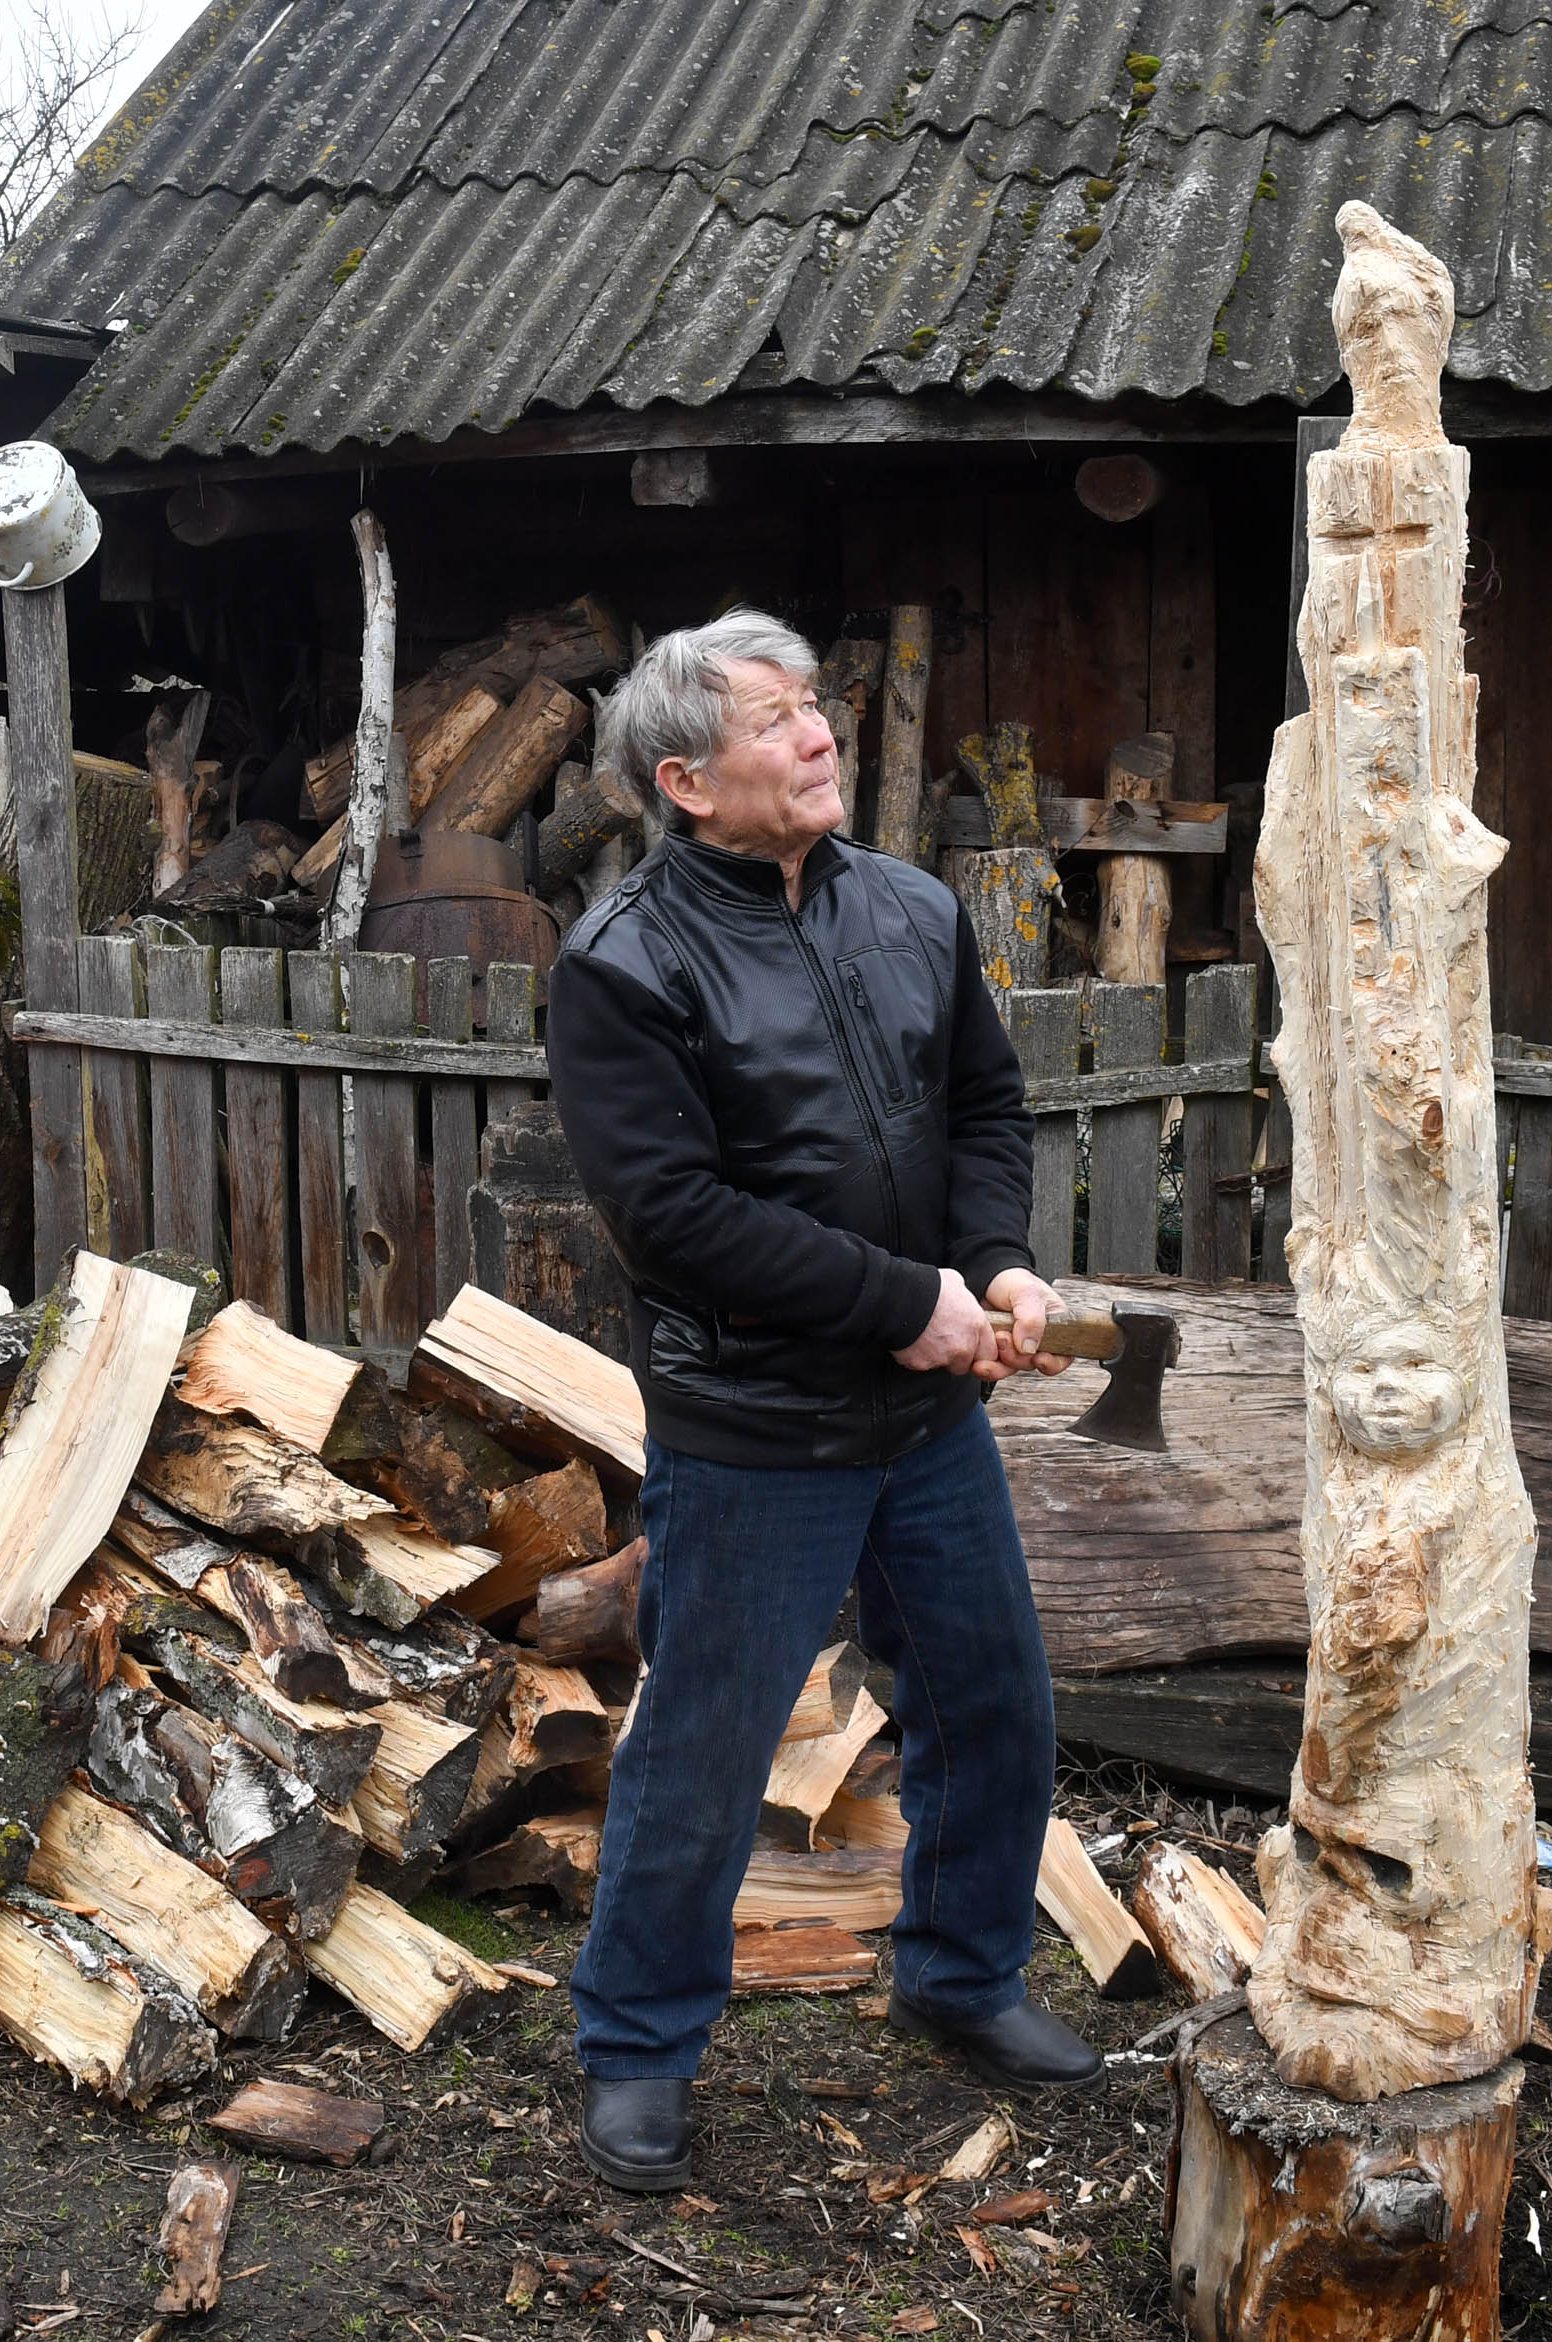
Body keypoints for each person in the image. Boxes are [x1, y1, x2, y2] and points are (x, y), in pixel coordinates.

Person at [543, 607, 1100, 2194]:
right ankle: (639, 2045)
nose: (818, 733)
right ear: (686, 783)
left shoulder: (913, 910)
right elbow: (678, 1219)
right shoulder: (626, 965)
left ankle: (964, 1976)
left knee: (993, 1703)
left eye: (816, 707)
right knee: (706, 1751)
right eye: (778, 718)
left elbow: (985, 1106)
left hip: (927, 1426)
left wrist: (989, 1261)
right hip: (755, 1433)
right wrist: (897, 1301)